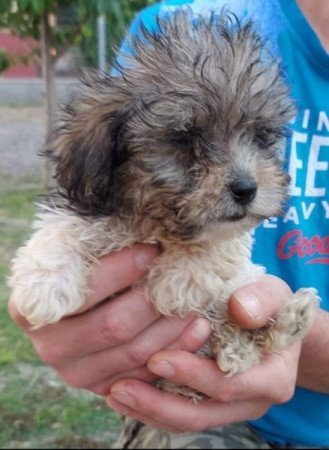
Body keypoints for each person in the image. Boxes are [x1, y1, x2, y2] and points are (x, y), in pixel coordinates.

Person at [8, 0, 328, 448]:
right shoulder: (170, 27)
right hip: (194, 420)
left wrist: (294, 341)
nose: (244, 177)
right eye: (185, 143)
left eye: (260, 138)